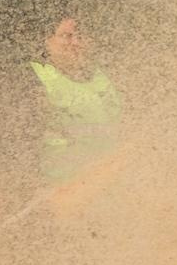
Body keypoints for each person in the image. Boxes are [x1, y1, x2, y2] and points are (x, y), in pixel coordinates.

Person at [29, 15, 124, 215]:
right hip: (60, 192)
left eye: (79, 36)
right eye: (66, 36)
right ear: (46, 41)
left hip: (109, 188)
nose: (75, 43)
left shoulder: (100, 76)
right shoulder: (34, 80)